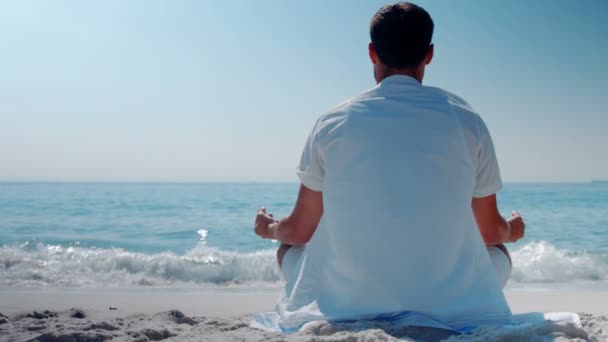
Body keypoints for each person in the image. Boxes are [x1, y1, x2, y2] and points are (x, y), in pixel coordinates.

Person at [254, 2, 525, 333]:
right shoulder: (467, 121)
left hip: (351, 303)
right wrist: (512, 230)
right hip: (445, 305)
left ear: (372, 53)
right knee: (498, 253)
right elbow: (489, 232)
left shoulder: (334, 122)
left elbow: (299, 231)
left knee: (287, 248)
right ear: (429, 54)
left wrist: (268, 229)